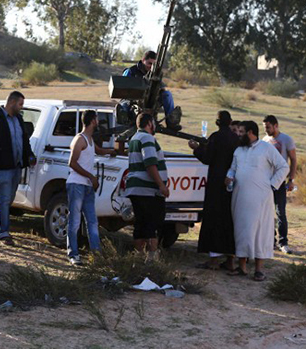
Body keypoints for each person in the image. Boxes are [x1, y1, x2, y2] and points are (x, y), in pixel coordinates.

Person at [226, 121, 289, 282]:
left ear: (251, 132)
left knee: (260, 231)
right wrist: (230, 177)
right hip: (240, 196)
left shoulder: (266, 148)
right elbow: (233, 168)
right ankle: (242, 267)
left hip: (261, 197)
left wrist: (272, 185)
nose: (238, 135)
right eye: (237, 131)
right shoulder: (238, 150)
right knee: (241, 230)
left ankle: (259, 269)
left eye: (241, 132)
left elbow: (283, 167)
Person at [0, 91, 36, 246]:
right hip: (2, 167)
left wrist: (29, 155)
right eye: (20, 104)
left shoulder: (18, 119)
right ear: (11, 102)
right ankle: (3, 233)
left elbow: (24, 141)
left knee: (7, 200)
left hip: (16, 166)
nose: (21, 107)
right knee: (3, 200)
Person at [188, 111, 239, 270]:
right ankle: (230, 260)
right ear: (230, 122)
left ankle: (213, 260)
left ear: (217, 122)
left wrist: (196, 149)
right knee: (229, 222)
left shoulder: (216, 137)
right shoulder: (236, 139)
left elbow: (207, 158)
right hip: (232, 185)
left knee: (213, 221)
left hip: (215, 185)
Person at [66, 110, 116, 265]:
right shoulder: (79, 139)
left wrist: (111, 152)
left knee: (92, 221)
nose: (98, 122)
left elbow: (97, 151)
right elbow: (72, 163)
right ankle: (73, 254)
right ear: (92, 120)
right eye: (97, 119)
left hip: (87, 186)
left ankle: (97, 255)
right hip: (77, 184)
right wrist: (91, 177)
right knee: (74, 221)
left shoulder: (90, 139)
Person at [124, 113, 169, 259]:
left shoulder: (134, 138)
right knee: (152, 223)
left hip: (135, 188)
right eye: (154, 123)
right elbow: (150, 163)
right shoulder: (147, 138)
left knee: (140, 223)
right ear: (149, 123)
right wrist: (161, 185)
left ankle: (138, 257)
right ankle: (152, 258)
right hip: (148, 190)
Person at [262, 115, 297, 254]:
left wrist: (291, 179)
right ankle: (271, 241)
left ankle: (284, 242)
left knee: (280, 212)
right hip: (265, 181)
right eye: (264, 128)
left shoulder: (286, 139)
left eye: (268, 127)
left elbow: (293, 160)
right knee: (267, 213)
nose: (266, 130)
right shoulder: (264, 140)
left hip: (281, 181)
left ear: (276, 126)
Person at [122, 51, 179, 129]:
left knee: (167, 94)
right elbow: (122, 88)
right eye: (149, 63)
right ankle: (125, 122)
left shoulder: (156, 74)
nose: (151, 66)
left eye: (153, 64)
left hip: (150, 101)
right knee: (124, 104)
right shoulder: (131, 71)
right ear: (143, 60)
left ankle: (171, 122)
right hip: (132, 101)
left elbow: (161, 88)